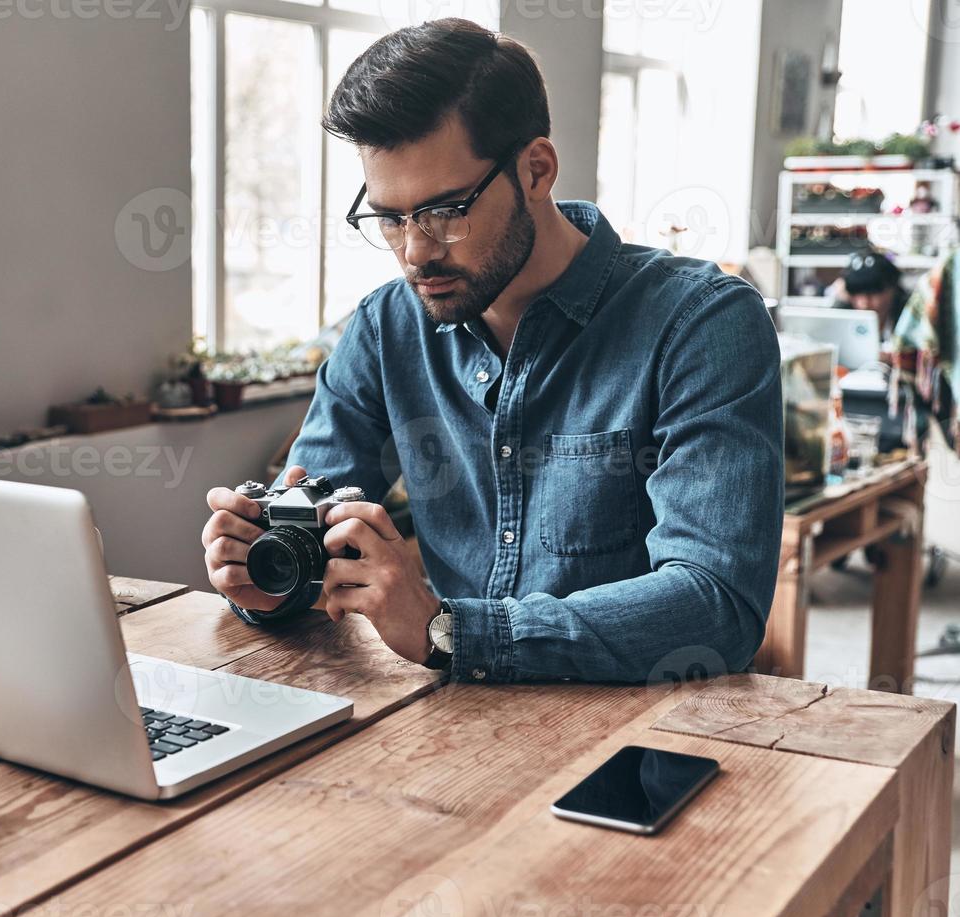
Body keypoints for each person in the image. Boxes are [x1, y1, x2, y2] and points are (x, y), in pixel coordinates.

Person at [199, 19, 783, 684]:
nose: (416, 253)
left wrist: (451, 633)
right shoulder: (387, 327)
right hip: (452, 728)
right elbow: (309, 526)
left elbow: (717, 606)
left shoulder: (702, 323)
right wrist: (266, 577)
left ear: (536, 168)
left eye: (447, 211)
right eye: (389, 218)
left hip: (641, 740)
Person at [839, 249, 909, 338]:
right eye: (855, 293)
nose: (864, 303)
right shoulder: (842, 315)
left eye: (872, 293)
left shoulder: (909, 316)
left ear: (892, 289)